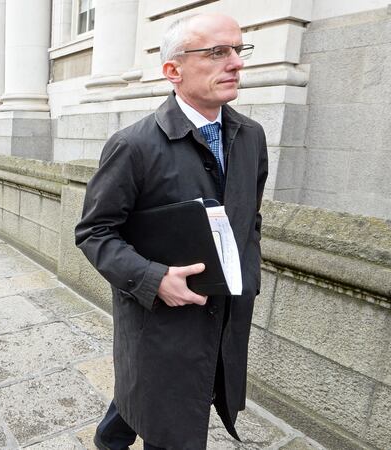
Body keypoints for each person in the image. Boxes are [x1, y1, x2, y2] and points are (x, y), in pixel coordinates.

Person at [75, 13, 267, 450]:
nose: (236, 63)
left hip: (224, 316)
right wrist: (153, 279)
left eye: (239, 50)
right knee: (165, 413)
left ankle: (110, 436)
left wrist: (248, 278)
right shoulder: (133, 146)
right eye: (217, 52)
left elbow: (249, 219)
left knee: (158, 394)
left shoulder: (252, 137)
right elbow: (94, 232)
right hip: (159, 321)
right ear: (172, 70)